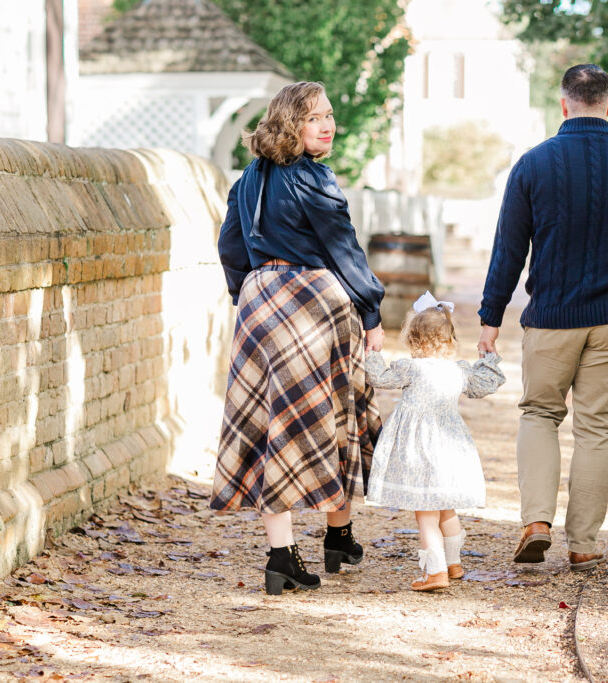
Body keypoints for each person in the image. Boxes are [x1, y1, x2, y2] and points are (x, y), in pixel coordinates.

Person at [477, 64, 608, 571]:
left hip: (552, 318)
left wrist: (490, 317)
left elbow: (508, 250)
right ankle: (585, 543)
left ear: (565, 104)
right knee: (596, 429)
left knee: (540, 415)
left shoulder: (533, 165)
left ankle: (537, 522)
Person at [211, 82, 386, 595]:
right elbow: (344, 250)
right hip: (312, 299)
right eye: (315, 118)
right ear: (292, 125)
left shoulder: (246, 182)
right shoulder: (314, 178)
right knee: (335, 411)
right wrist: (371, 314)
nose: (328, 126)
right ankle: (338, 536)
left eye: (330, 116)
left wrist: (248, 293)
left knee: (274, 423)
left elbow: (229, 248)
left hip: (259, 298)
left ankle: (281, 555)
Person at [364, 292, 506, 591]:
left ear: (413, 339)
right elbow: (486, 384)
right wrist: (489, 357)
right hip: (450, 448)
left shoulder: (410, 368)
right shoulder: (459, 371)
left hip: (419, 451)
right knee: (446, 509)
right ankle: (453, 563)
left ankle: (435, 572)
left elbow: (379, 378)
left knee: (425, 514)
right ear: (450, 339)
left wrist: (372, 352)